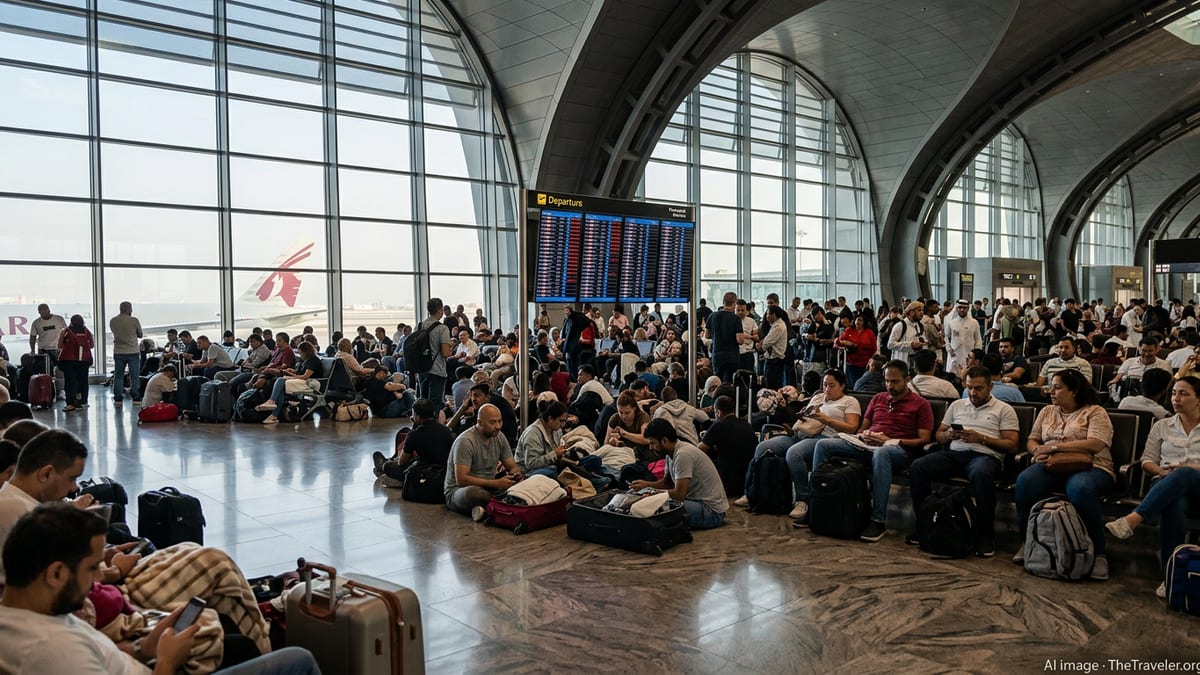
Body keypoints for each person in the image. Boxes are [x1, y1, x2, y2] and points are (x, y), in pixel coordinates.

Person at [0, 503, 320, 675]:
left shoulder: (31, 612)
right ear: (55, 573)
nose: (100, 577)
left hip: (142, 658)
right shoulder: (54, 651)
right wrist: (166, 661)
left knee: (231, 638)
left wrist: (145, 649)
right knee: (297, 660)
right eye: (91, 568)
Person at [811, 360, 934, 542]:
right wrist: (865, 435)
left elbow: (924, 439)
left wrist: (890, 440)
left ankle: (878, 519)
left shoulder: (921, 404)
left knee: (882, 453)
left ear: (907, 379)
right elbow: (862, 428)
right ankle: (818, 503)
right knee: (823, 445)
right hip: (869, 445)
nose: (889, 386)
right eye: (886, 381)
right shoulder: (879, 398)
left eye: (895, 381)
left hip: (899, 450)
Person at [1013, 368, 1115, 579]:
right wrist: (1036, 452)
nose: (1051, 391)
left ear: (1074, 391)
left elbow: (1096, 444)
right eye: (1051, 386)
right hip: (1052, 464)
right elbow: (1032, 439)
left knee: (1079, 489)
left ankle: (1098, 553)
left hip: (1092, 465)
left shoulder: (1095, 412)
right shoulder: (1047, 411)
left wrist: (1053, 447)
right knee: (1025, 482)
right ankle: (1029, 541)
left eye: (1057, 387)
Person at [909, 365, 1019, 557]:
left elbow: (1012, 445)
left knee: (981, 473)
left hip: (985, 456)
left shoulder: (1004, 409)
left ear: (990, 387)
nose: (973, 393)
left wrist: (982, 438)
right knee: (919, 467)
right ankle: (926, 522)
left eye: (978, 388)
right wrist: (949, 435)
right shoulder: (957, 405)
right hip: (955, 453)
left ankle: (985, 533)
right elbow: (939, 435)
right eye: (969, 387)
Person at [1105, 375, 1200, 597]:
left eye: (1184, 394)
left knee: (1185, 472)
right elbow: (1147, 460)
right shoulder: (1162, 426)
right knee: (1174, 502)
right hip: (1165, 484)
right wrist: (1160, 471)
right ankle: (1171, 576)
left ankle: (1134, 519)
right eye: (1174, 393)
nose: (1176, 398)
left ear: (1199, 400)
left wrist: (1192, 470)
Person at [740, 369, 862, 521]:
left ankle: (802, 499)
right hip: (800, 434)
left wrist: (825, 419)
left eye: (832, 385)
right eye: (825, 385)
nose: (827, 389)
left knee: (794, 453)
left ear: (842, 385)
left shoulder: (849, 402)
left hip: (824, 438)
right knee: (763, 447)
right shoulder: (818, 397)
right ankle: (752, 489)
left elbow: (852, 427)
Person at [631, 418, 728, 529]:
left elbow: (679, 495)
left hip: (711, 512)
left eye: (652, 443)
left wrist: (652, 494)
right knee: (653, 503)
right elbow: (668, 483)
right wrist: (646, 485)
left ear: (664, 440)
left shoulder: (683, 455)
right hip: (697, 503)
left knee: (659, 506)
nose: (650, 448)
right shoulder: (670, 454)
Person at [444, 404, 523, 521]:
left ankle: (490, 508)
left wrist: (515, 475)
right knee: (473, 494)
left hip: (490, 488)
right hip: (460, 491)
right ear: (480, 422)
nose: (497, 426)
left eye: (499, 421)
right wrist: (496, 484)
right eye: (492, 422)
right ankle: (501, 504)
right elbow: (461, 480)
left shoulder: (499, 437)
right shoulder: (466, 441)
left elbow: (512, 466)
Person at [372, 398, 455, 482]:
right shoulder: (446, 430)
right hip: (444, 472)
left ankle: (385, 469)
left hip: (424, 473)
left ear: (417, 417)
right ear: (433, 413)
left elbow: (402, 462)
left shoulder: (414, 434)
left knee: (387, 466)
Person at [698, 395, 756, 498]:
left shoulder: (718, 426)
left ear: (719, 412)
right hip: (747, 482)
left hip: (728, 484)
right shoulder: (746, 424)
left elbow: (699, 450)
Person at [260, 341, 323, 425]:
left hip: (310, 384)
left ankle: (272, 403)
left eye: (300, 352)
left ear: (305, 352)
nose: (300, 354)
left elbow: (305, 376)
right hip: (304, 382)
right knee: (281, 387)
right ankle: (273, 415)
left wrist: (291, 377)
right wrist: (292, 372)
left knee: (281, 380)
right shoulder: (306, 361)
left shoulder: (313, 361)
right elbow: (301, 374)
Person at [515, 399, 569, 478]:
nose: (563, 424)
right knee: (553, 470)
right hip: (527, 472)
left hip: (547, 467)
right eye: (561, 421)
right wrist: (554, 454)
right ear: (550, 418)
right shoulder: (532, 434)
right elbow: (531, 463)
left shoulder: (556, 430)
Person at [415, 298, 454, 401]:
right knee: (435, 403)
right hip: (436, 369)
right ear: (440, 310)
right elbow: (445, 353)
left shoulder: (419, 326)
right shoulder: (442, 328)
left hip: (421, 368)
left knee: (423, 402)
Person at [109, 301, 144, 407]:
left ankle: (118, 398)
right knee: (134, 376)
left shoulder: (113, 321)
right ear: (129, 309)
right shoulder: (134, 320)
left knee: (118, 375)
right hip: (132, 351)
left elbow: (114, 333)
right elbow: (140, 334)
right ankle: (136, 397)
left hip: (119, 351)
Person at [57, 314, 94, 412]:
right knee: (83, 381)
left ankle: (70, 403)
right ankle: (83, 401)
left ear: (71, 322)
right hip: (84, 360)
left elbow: (59, 345)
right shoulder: (87, 332)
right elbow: (91, 345)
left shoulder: (65, 331)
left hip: (68, 360)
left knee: (70, 381)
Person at [707, 292, 746, 382]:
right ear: (734, 303)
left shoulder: (712, 316)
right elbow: (740, 340)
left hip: (717, 354)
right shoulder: (735, 319)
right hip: (731, 356)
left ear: (723, 302)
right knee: (729, 382)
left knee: (717, 381)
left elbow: (707, 335)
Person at [606, 390, 653, 462]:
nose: (623, 416)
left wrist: (624, 434)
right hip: (621, 455)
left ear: (634, 408)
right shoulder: (615, 419)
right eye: (620, 412)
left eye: (627, 413)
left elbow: (646, 438)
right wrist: (612, 442)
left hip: (641, 456)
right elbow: (606, 444)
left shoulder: (643, 417)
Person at [944, 299, 982, 375]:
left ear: (968, 309)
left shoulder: (974, 323)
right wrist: (948, 348)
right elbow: (946, 337)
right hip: (955, 354)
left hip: (969, 354)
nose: (962, 310)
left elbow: (978, 339)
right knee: (954, 375)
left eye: (964, 308)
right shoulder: (951, 322)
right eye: (960, 307)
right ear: (956, 308)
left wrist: (977, 354)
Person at [836, 315, 876, 386]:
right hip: (851, 363)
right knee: (852, 384)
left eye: (860, 320)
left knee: (863, 384)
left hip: (865, 363)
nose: (858, 322)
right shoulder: (849, 330)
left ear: (864, 322)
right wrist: (845, 344)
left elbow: (874, 348)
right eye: (857, 320)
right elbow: (838, 342)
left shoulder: (869, 332)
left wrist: (855, 345)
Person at [887, 300, 926, 367]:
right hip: (902, 364)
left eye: (922, 310)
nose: (922, 313)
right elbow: (890, 345)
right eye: (919, 310)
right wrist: (910, 345)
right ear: (911, 312)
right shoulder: (900, 326)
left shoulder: (920, 326)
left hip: (916, 364)